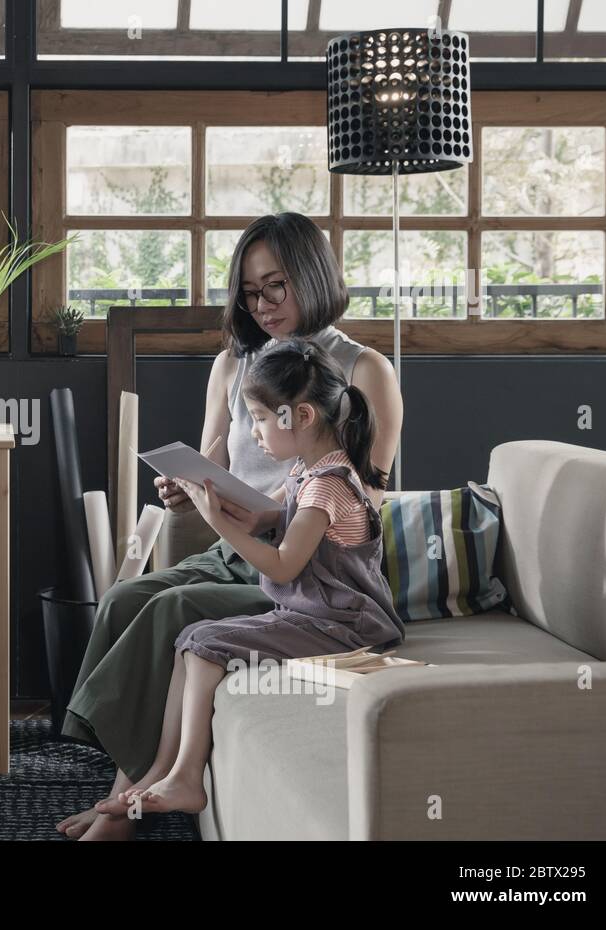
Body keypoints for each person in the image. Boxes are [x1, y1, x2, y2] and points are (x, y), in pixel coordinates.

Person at [58, 211, 404, 841]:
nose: (264, 305)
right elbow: (214, 460)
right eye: (250, 292)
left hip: (304, 568)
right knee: (126, 596)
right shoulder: (233, 365)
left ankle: (124, 804)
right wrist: (188, 490)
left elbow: (364, 498)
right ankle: (127, 777)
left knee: (177, 610)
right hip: (232, 548)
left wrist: (270, 510)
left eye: (278, 286)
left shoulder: (363, 370)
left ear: (313, 276)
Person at [113, 338, 404, 818]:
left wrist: (218, 521)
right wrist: (258, 518)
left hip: (344, 628)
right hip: (313, 615)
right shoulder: (309, 470)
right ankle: (168, 771)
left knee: (202, 644)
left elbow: (284, 564)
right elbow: (284, 514)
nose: (254, 433)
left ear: (303, 417)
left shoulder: (328, 485)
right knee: (192, 640)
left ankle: (186, 777)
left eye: (263, 419)